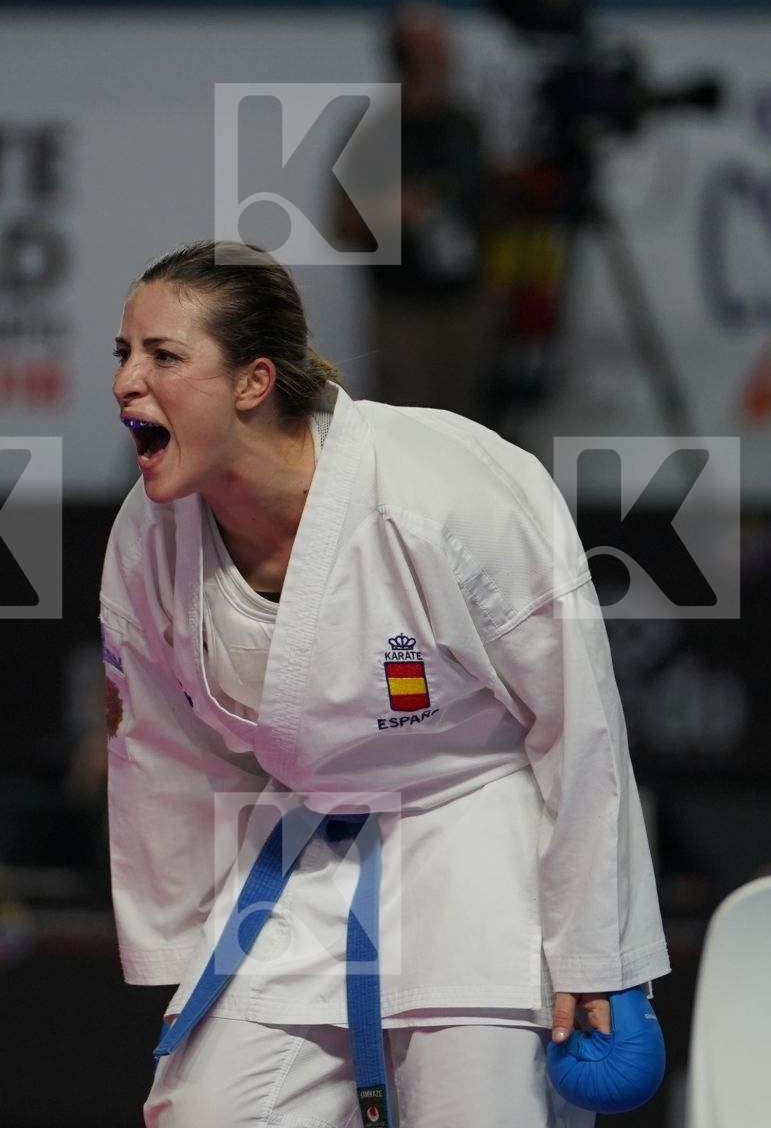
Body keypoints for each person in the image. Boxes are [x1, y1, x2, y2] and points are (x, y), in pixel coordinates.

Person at [102, 239, 666, 1126]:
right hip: (306, 844)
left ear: (253, 382)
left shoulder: (439, 490)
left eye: (163, 356)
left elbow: (579, 722)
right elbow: (163, 753)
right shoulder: (149, 534)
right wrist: (182, 947)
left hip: (477, 834)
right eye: (124, 354)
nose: (129, 381)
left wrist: (599, 950)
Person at [333, 0, 495, 421]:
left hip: (466, 303)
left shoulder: (465, 126)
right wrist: (392, 210)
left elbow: (490, 203)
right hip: (403, 310)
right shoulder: (375, 133)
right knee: (404, 429)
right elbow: (342, 222)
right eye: (431, 50)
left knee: (471, 428)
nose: (445, 60)